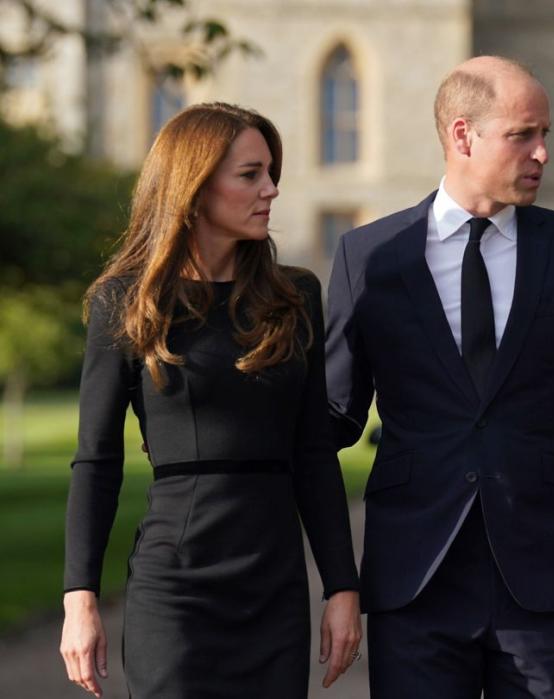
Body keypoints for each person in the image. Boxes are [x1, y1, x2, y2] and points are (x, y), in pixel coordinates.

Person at [323, 56, 554, 697]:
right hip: (416, 580)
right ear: (462, 135)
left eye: (544, 133)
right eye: (524, 135)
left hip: (550, 586)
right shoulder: (370, 257)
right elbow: (331, 419)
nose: (543, 152)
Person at [59, 103, 362, 698]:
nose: (271, 189)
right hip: (175, 588)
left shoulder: (295, 296)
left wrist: (341, 587)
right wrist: (80, 599)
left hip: (273, 586)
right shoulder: (125, 301)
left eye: (271, 172)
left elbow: (314, 454)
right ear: (195, 187)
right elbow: (96, 460)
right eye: (250, 175)